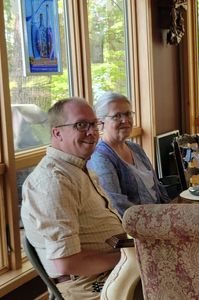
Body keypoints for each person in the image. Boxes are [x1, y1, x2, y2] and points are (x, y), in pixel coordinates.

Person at [21, 98, 124, 300]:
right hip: (90, 284)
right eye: (81, 125)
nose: (92, 132)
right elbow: (67, 263)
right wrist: (129, 257)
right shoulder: (53, 181)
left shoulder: (77, 168)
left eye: (94, 124)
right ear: (57, 132)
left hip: (114, 269)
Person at [87, 92, 171, 216]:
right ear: (101, 122)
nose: (125, 120)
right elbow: (117, 205)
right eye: (117, 116)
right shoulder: (100, 157)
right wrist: (157, 223)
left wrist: (171, 213)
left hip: (159, 219)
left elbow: (158, 188)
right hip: (136, 228)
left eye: (128, 114)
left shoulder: (135, 148)